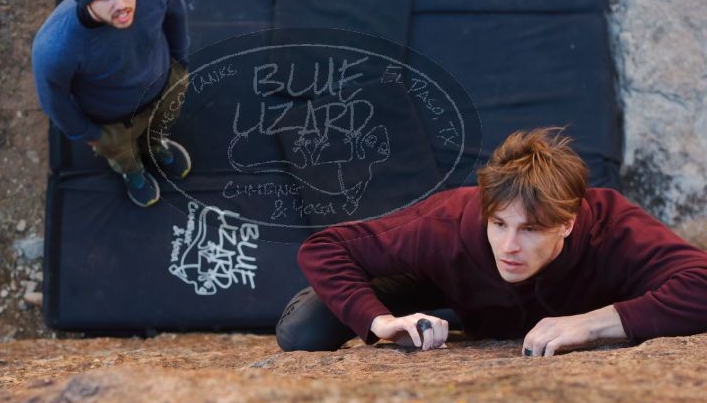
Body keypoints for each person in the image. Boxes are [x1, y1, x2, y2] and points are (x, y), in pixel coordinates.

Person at [277, 128, 707, 356]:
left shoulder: (613, 228)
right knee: (306, 329)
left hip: (557, 302)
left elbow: (700, 282)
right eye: (499, 224)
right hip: (447, 284)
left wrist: (590, 324)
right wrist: (382, 323)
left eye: (531, 229)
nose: (509, 245)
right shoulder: (448, 221)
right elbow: (325, 247)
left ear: (567, 224)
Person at [32, 0, 191, 207]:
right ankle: (131, 171)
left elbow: (176, 15)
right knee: (122, 153)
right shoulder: (55, 47)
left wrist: (180, 64)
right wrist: (87, 133)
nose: (121, 5)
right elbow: (54, 101)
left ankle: (155, 145)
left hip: (164, 87)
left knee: (160, 126)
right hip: (113, 122)